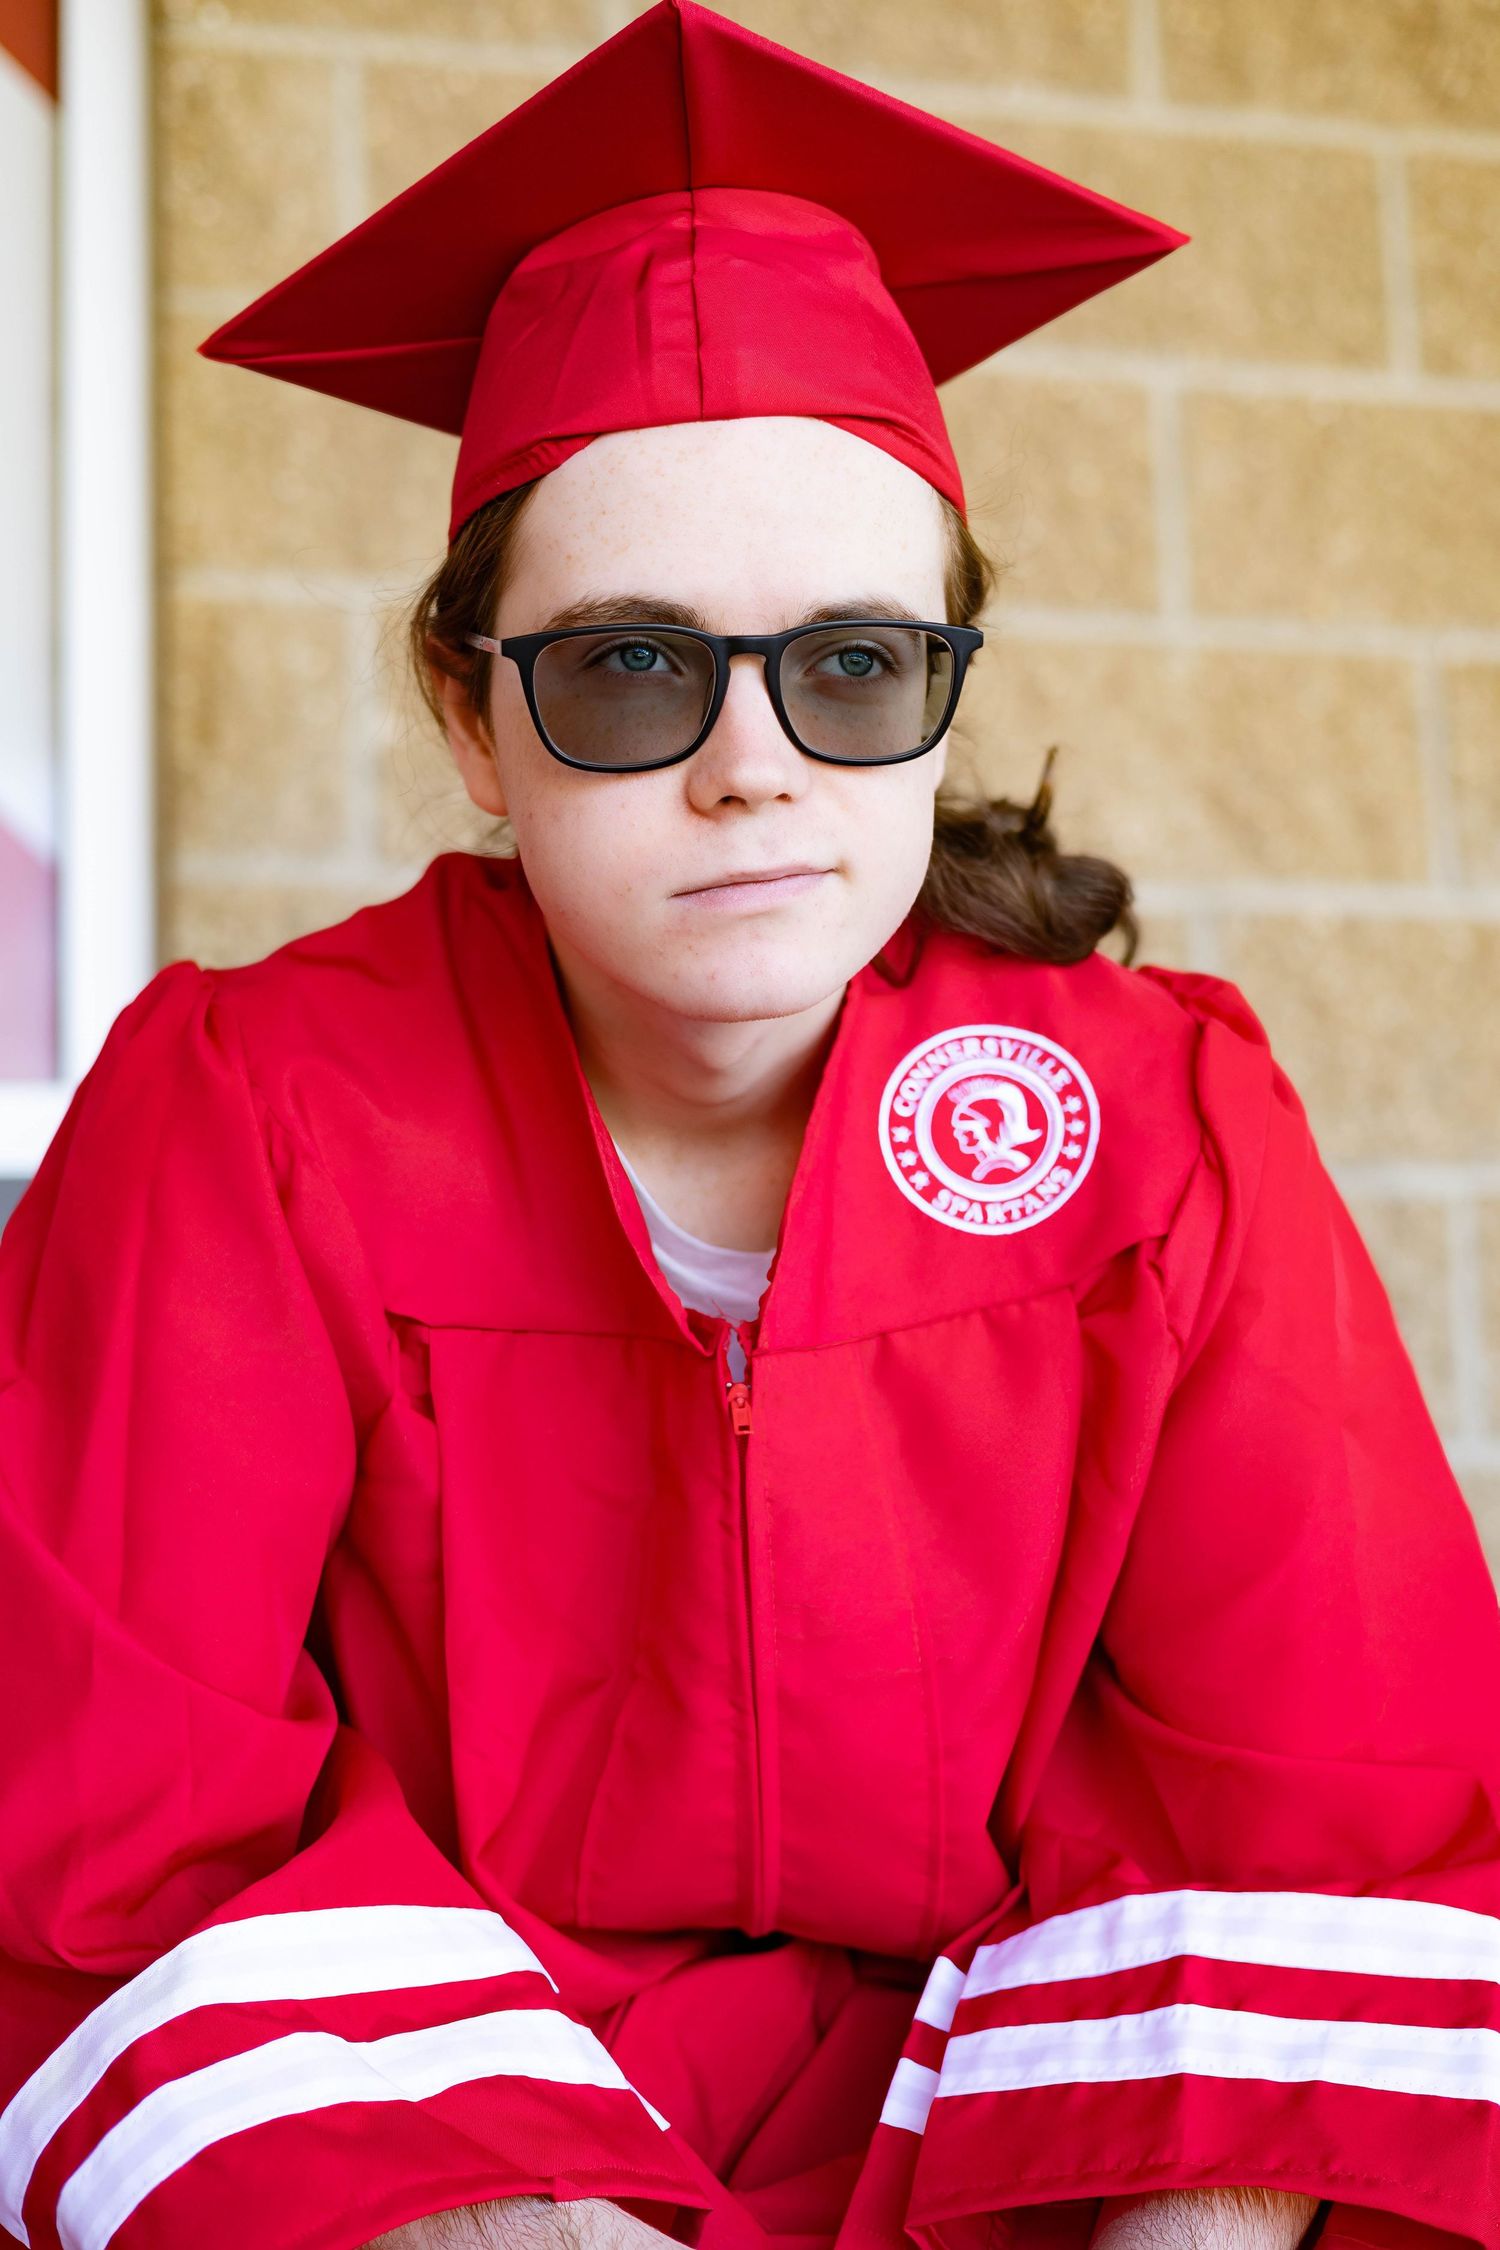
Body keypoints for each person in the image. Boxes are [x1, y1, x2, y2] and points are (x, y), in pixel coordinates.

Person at [3, 7, 1499, 2250]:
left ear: (936, 693)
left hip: (1023, 2139)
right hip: (422, 2140)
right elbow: (119, 1811)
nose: (754, 768)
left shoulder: (1161, 1117)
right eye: (628, 666)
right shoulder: (247, 1112)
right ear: (472, 717)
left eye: (854, 665)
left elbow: (1320, 1796)